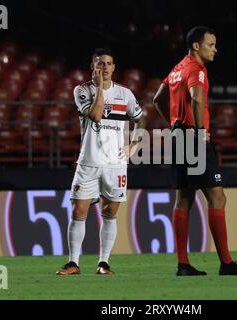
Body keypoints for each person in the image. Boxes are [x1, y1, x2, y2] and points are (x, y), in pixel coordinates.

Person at [153, 26, 237, 276]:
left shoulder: (177, 68)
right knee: (217, 198)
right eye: (211, 44)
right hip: (194, 138)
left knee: (184, 199)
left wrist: (175, 124)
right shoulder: (196, 69)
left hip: (179, 138)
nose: (215, 49)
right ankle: (226, 263)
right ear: (197, 46)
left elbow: (158, 99)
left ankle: (183, 264)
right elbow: (197, 98)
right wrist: (199, 134)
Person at [56, 48, 146, 275]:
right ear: (92, 67)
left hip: (115, 164)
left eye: (108, 63)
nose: (104, 67)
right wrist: (99, 90)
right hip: (88, 161)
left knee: (109, 213)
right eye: (100, 63)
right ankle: (73, 263)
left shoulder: (125, 94)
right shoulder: (82, 91)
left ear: (114, 67)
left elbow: (141, 120)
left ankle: (104, 263)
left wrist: (133, 144)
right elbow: (96, 115)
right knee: (79, 211)